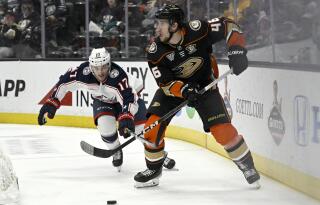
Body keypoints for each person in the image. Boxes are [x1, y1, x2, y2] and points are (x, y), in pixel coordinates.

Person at [134, 4, 260, 188]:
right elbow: (165, 84)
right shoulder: (155, 51)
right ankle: (154, 170)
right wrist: (184, 90)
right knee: (151, 132)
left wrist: (237, 50)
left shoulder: (197, 29)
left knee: (223, 133)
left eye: (161, 24)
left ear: (174, 25)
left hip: (204, 85)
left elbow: (229, 24)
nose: (156, 28)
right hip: (175, 89)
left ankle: (247, 166)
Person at [37, 47, 175, 172]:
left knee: (143, 132)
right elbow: (64, 83)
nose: (100, 72)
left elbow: (128, 97)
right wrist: (52, 102)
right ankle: (116, 150)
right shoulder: (82, 73)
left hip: (130, 100)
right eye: (96, 68)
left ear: (109, 64)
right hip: (103, 101)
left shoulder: (118, 77)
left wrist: (126, 116)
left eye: (103, 67)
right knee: (106, 129)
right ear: (91, 66)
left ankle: (159, 155)